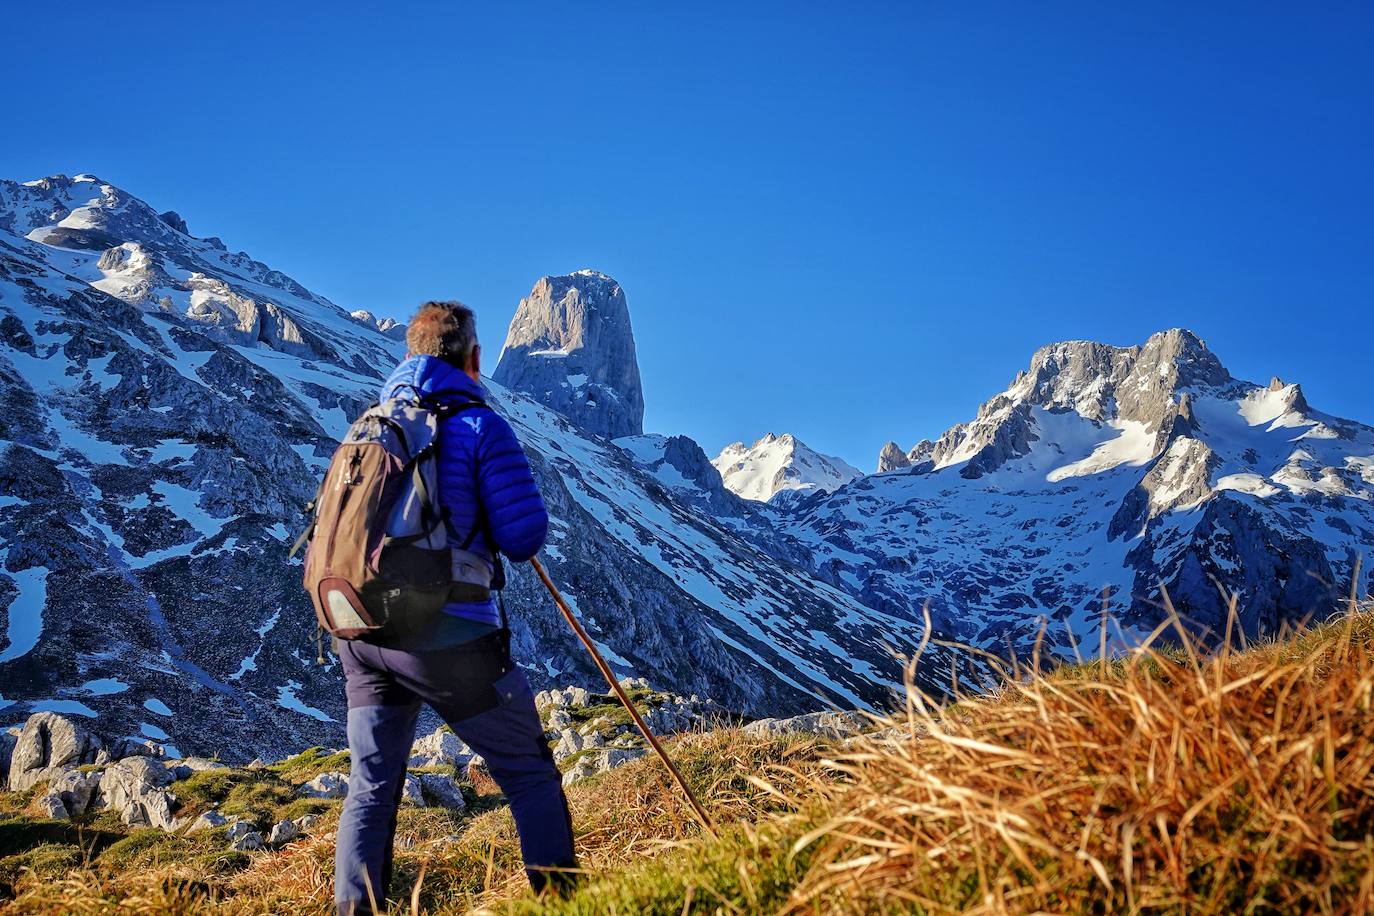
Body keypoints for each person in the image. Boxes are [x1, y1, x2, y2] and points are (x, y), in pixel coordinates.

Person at [333, 301, 577, 915]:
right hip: (446, 633)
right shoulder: (477, 424)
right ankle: (562, 904)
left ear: (411, 352)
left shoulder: (369, 424)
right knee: (527, 772)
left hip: (360, 629)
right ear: (472, 357)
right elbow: (524, 539)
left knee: (371, 784)